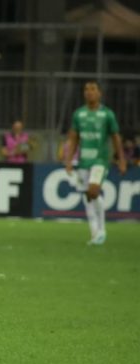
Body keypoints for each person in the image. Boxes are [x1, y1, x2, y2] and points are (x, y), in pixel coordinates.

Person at [64, 80, 126, 245]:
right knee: (88, 197)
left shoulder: (107, 114)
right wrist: (68, 160)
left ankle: (102, 230)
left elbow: (115, 138)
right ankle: (95, 233)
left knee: (93, 190)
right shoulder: (79, 114)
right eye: (86, 89)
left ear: (99, 93)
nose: (89, 92)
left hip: (100, 160)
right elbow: (73, 138)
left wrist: (121, 160)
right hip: (84, 161)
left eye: (92, 89)